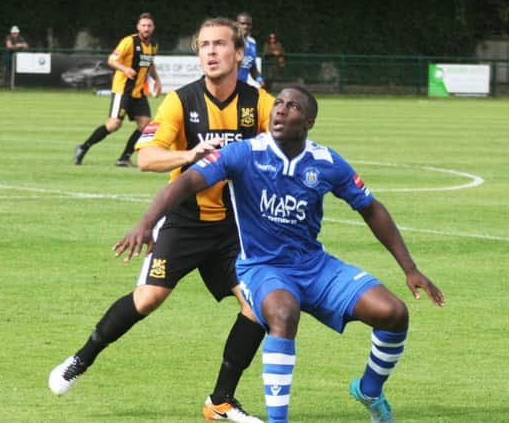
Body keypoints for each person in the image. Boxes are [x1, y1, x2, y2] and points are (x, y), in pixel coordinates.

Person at [113, 86, 446, 423]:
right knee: (283, 312)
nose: (281, 110)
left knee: (394, 312)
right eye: (279, 104)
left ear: (309, 122)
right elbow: (185, 183)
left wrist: (410, 268)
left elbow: (371, 209)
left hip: (314, 266)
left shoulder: (327, 162)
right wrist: (145, 222)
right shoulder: (243, 153)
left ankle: (370, 390)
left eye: (293, 106)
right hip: (262, 268)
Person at [50, 17, 275, 423]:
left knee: (257, 307)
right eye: (204, 44)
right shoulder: (180, 101)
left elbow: (288, 146)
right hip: (184, 222)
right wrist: (188, 155)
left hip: (232, 229)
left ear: (239, 54)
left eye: (220, 44)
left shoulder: (259, 103)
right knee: (149, 298)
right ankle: (80, 360)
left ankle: (221, 402)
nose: (210, 51)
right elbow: (146, 156)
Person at [73, 12, 162, 167]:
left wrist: (157, 80)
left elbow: (150, 63)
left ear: (153, 28)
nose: (146, 28)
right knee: (114, 124)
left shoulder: (153, 45)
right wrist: (125, 69)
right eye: (143, 25)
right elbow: (111, 60)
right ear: (138, 27)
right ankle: (83, 147)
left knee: (146, 125)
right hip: (123, 91)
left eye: (149, 26)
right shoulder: (129, 42)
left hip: (138, 92)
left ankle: (124, 158)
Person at [236, 12, 265, 88]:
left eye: (248, 24)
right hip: (228, 86)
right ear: (237, 25)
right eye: (242, 23)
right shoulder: (231, 41)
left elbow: (252, 68)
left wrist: (260, 80)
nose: (245, 26)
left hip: (242, 86)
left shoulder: (252, 42)